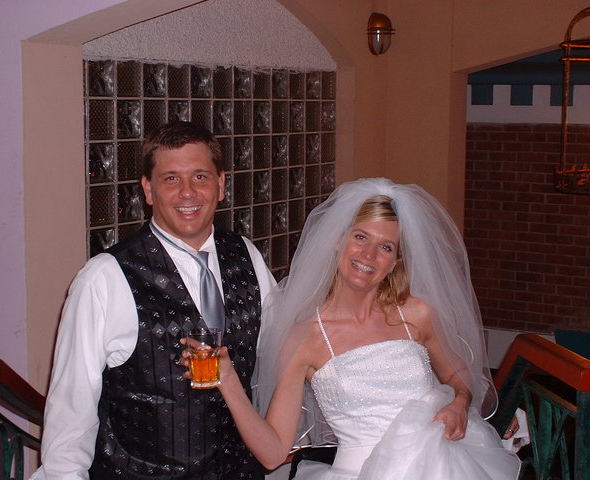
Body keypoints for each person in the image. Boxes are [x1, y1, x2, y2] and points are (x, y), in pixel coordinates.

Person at [185, 178, 522, 479]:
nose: (369, 255)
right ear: (338, 240)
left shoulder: (416, 314)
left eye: (385, 247)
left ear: (395, 262)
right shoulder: (305, 337)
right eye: (360, 237)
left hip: (442, 468)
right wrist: (228, 380)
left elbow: (459, 376)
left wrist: (459, 402)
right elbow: (273, 454)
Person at [30, 121, 276, 480]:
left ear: (221, 184)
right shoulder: (105, 278)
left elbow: (279, 355)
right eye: (171, 179)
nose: (188, 193)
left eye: (200, 177)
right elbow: (71, 410)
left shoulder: (247, 256)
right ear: (148, 189)